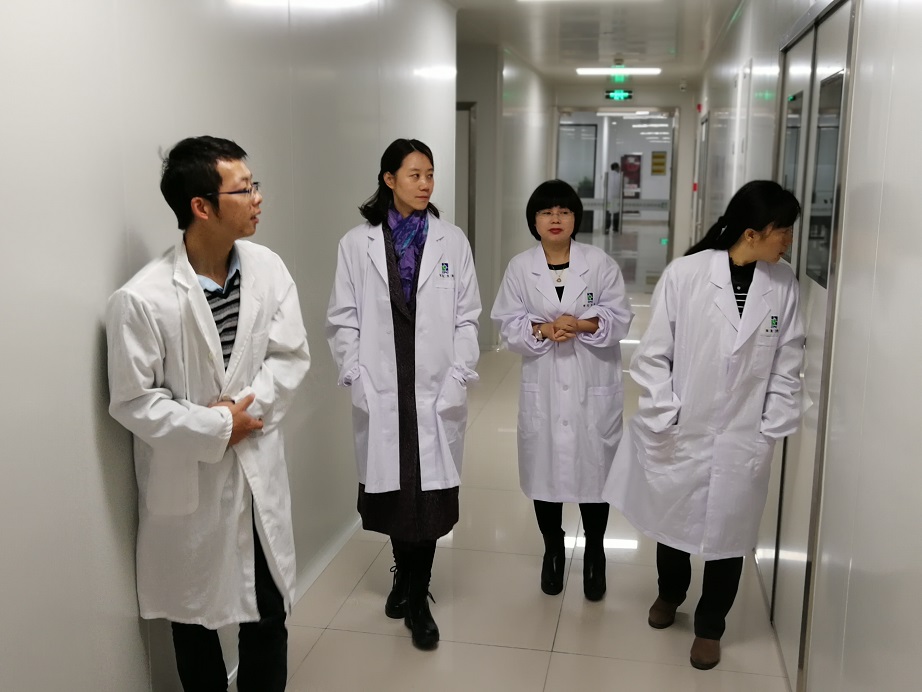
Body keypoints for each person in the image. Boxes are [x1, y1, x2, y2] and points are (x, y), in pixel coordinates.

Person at [106, 136, 311, 692]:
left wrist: (244, 414)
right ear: (202, 206)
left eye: (254, 185)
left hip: (256, 472)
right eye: (244, 190)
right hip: (190, 481)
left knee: (267, 613)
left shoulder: (268, 269)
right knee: (192, 618)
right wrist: (217, 427)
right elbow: (133, 400)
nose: (257, 198)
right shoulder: (143, 298)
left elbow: (290, 355)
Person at [603, 180, 804, 670]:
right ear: (753, 233)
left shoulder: (783, 285)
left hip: (744, 437)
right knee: (673, 523)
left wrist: (769, 426)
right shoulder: (687, 274)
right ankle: (670, 594)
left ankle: (710, 627)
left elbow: (788, 362)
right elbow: (653, 355)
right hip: (684, 428)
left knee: (729, 537)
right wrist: (666, 413)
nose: (789, 241)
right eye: (783, 231)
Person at [326, 138, 481, 650]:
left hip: (436, 385)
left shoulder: (451, 241)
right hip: (383, 384)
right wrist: (355, 374)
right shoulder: (357, 244)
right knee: (396, 493)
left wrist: (459, 373)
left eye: (430, 174)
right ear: (389, 179)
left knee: (429, 496)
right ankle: (403, 574)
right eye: (414, 175)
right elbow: (343, 318)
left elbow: (467, 316)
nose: (425, 184)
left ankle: (417, 596)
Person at [491, 179, 633, 602]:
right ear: (533, 220)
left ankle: (595, 552)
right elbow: (507, 324)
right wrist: (543, 329)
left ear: (575, 219)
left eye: (564, 211)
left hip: (593, 381)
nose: (555, 219)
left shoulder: (600, 263)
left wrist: (583, 324)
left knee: (595, 474)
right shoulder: (520, 268)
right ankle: (553, 549)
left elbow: (620, 317)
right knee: (545, 473)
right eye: (546, 212)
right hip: (545, 385)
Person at [606, 161, 622, 233]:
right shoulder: (619, 176)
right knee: (616, 213)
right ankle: (615, 228)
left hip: (608, 198)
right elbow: (621, 186)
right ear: (617, 168)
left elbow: (604, 185)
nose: (619, 168)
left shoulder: (607, 175)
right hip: (616, 198)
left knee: (608, 213)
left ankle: (607, 227)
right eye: (619, 167)